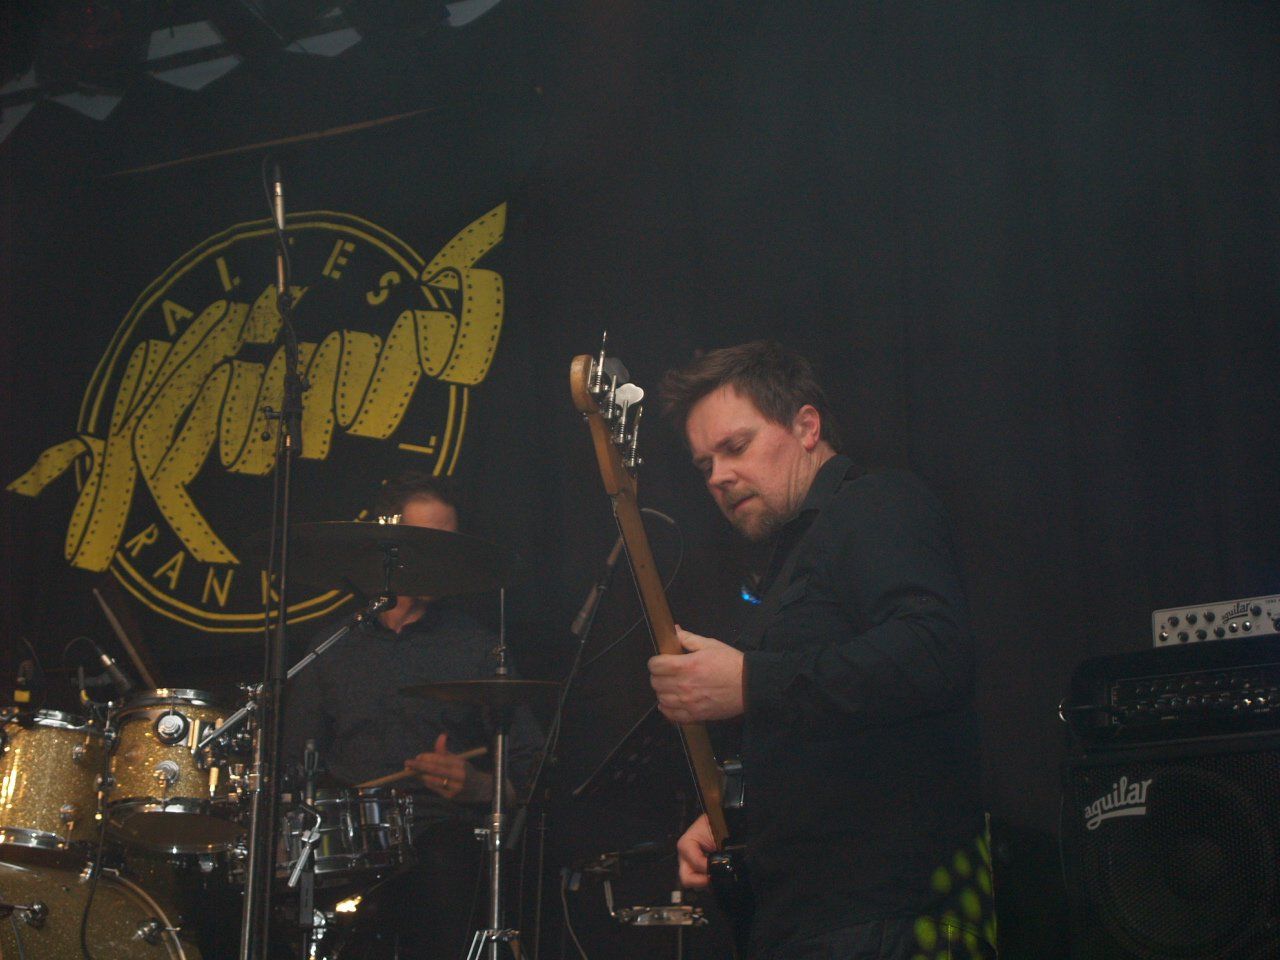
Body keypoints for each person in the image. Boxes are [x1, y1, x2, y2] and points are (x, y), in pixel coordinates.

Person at [647, 342, 995, 960]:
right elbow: (825, 736)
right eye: (705, 466)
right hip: (810, 922)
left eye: (736, 446)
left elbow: (933, 652)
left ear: (806, 427)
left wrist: (748, 682)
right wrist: (736, 818)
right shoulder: (789, 560)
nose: (718, 476)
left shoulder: (875, 503)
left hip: (891, 918)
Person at [280, 470, 543, 959]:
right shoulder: (332, 647)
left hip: (439, 840)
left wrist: (479, 786)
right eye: (426, 541)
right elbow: (295, 767)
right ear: (389, 546)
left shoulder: (480, 649)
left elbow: (532, 771)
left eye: (449, 543)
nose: (441, 557)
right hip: (348, 846)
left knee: (445, 864)